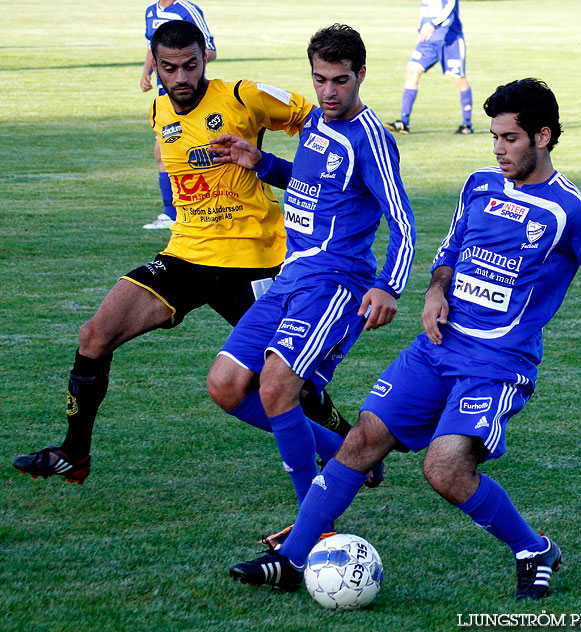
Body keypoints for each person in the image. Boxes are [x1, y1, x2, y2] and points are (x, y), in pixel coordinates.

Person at [228, 78, 581, 600]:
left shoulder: (571, 209)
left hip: (496, 364)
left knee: (443, 468)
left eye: (509, 139)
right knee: (362, 439)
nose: (498, 149)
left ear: (543, 137)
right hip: (437, 346)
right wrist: (436, 291)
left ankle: (534, 549)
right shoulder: (479, 185)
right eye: (494, 138)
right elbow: (449, 249)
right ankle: (292, 557)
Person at [12, 21, 349, 485]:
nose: (181, 78)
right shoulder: (158, 111)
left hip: (254, 260)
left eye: (190, 65)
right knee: (94, 336)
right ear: (156, 65)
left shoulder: (243, 96)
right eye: (169, 68)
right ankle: (74, 453)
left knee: (295, 382)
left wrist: (285, 169)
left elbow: (320, 124)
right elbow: (174, 159)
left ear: (204, 57)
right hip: (185, 255)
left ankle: (350, 448)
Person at [205, 24, 416, 538]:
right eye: (320, 79)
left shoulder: (373, 140)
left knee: (278, 389)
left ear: (361, 75)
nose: (328, 92)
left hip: (335, 283)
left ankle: (314, 527)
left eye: (340, 81)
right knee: (227, 386)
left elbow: (404, 223)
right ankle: (352, 456)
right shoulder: (318, 126)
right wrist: (262, 163)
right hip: (289, 278)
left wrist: (388, 286)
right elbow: (311, 183)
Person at [141, 0, 217, 230]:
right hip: (166, 94)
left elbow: (210, 50)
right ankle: (176, 213)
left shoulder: (187, 10)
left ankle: (179, 213)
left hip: (189, 94)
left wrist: (183, 63)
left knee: (184, 151)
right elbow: (152, 46)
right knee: (164, 152)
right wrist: (146, 72)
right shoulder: (151, 11)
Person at [385, 0, 473, 135]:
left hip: (450, 40)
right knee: (412, 71)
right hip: (427, 41)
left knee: (458, 78)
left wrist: (433, 24)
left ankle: (467, 124)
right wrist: (422, 30)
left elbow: (450, 5)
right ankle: (404, 122)